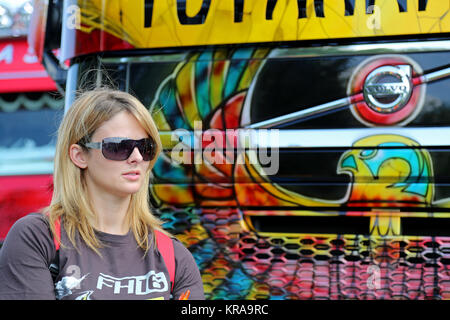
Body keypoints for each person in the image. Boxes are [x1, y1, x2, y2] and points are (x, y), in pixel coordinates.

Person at [0, 88, 204, 300]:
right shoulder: (36, 238)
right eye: (118, 147)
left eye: (145, 147)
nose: (136, 157)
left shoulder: (173, 255)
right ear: (79, 156)